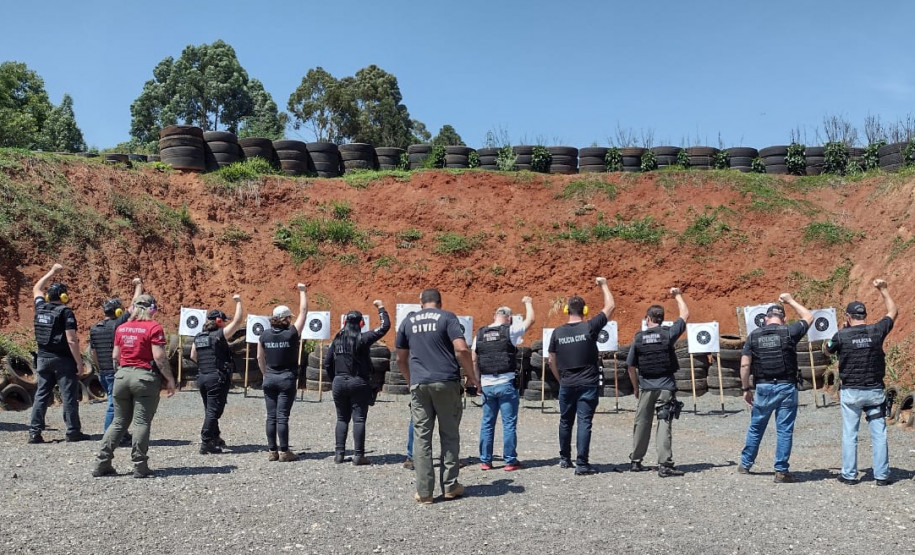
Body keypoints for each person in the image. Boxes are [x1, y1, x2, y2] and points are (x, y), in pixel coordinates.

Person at [396, 289, 479, 504]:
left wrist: (409, 380)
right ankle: (450, 486)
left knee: (422, 437)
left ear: (420, 303)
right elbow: (461, 349)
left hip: (419, 383)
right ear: (440, 303)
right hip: (446, 382)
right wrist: (472, 377)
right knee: (449, 435)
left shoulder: (408, 321)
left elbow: (400, 359)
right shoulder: (447, 317)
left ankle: (424, 492)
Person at [92, 293, 177, 478]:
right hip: (144, 378)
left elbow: (115, 356)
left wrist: (122, 372)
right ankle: (140, 466)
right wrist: (169, 379)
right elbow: (159, 356)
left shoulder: (121, 328)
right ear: (152, 309)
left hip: (121, 377)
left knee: (118, 422)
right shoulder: (154, 327)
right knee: (141, 422)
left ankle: (102, 462)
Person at [824, 279, 897, 486]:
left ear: (848, 317)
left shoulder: (841, 335)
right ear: (865, 316)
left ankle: (849, 475)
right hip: (874, 391)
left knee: (850, 434)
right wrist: (884, 290)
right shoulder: (876, 331)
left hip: (852, 393)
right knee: (879, 434)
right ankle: (882, 476)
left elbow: (827, 349)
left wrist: (840, 330)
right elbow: (893, 311)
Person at [738, 293, 813, 483]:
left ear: (765, 319)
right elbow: (809, 317)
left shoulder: (754, 335)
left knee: (756, 427)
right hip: (786, 386)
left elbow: (745, 365)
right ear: (784, 319)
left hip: (763, 387)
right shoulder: (789, 331)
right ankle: (781, 471)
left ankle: (746, 464)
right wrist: (790, 301)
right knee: (784, 429)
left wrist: (746, 389)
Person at [548, 277, 615, 475]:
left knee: (565, 421)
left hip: (567, 382)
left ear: (566, 311)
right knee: (584, 421)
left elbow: (551, 359)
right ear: (585, 311)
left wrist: (560, 379)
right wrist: (603, 284)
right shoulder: (589, 327)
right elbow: (610, 306)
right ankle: (582, 464)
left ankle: (564, 458)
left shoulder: (557, 332)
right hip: (588, 383)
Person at [627, 288, 689, 477]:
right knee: (664, 423)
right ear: (662, 319)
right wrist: (677, 295)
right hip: (665, 387)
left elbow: (630, 366)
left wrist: (636, 387)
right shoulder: (668, 334)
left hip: (646, 387)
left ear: (647, 319)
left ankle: (636, 461)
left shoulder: (639, 338)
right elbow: (685, 314)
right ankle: (664, 464)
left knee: (641, 423)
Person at [29, 263, 91, 444]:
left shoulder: (40, 307)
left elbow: (37, 288)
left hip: (42, 358)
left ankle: (34, 433)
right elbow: (72, 340)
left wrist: (52, 272)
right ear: (64, 297)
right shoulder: (65, 312)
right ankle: (72, 432)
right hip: (63, 360)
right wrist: (79, 362)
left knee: (41, 395)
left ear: (49, 296)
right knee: (68, 396)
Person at [472, 296, 535, 471]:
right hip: (506, 382)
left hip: (487, 384)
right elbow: (531, 320)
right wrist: (528, 302)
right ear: (509, 318)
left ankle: (485, 461)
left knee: (487, 423)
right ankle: (509, 461)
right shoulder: (510, 330)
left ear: (495, 316)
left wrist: (477, 382)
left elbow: (474, 360)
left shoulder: (480, 333)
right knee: (508, 423)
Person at [325, 300, 390, 465]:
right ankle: (358, 456)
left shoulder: (337, 339)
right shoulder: (363, 338)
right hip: (358, 381)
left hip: (339, 381)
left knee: (341, 419)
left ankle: (339, 455)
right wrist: (381, 308)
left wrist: (335, 379)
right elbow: (384, 327)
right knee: (359, 419)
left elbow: (327, 362)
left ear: (344, 322)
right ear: (362, 323)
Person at [89, 277, 144, 444]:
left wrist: (99, 369)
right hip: (115, 371)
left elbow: (93, 352)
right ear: (118, 312)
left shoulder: (95, 328)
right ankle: (110, 437)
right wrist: (139, 286)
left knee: (120, 404)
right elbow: (134, 304)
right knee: (114, 405)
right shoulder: (118, 325)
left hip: (104, 371)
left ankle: (122, 433)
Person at [257, 284, 308, 462]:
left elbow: (259, 357)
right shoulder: (292, 333)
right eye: (289, 318)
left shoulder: (264, 335)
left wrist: (265, 374)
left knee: (271, 416)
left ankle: (272, 451)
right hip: (286, 379)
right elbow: (303, 312)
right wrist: (302, 292)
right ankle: (285, 451)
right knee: (282, 416)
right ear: (285, 319)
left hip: (269, 378)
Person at [190, 294, 243, 454]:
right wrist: (239, 302)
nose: (225, 323)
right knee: (215, 411)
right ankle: (206, 441)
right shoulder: (218, 336)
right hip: (216, 378)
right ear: (218, 321)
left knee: (210, 409)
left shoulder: (199, 337)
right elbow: (237, 322)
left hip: (202, 377)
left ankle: (215, 436)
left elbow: (193, 356)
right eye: (223, 321)